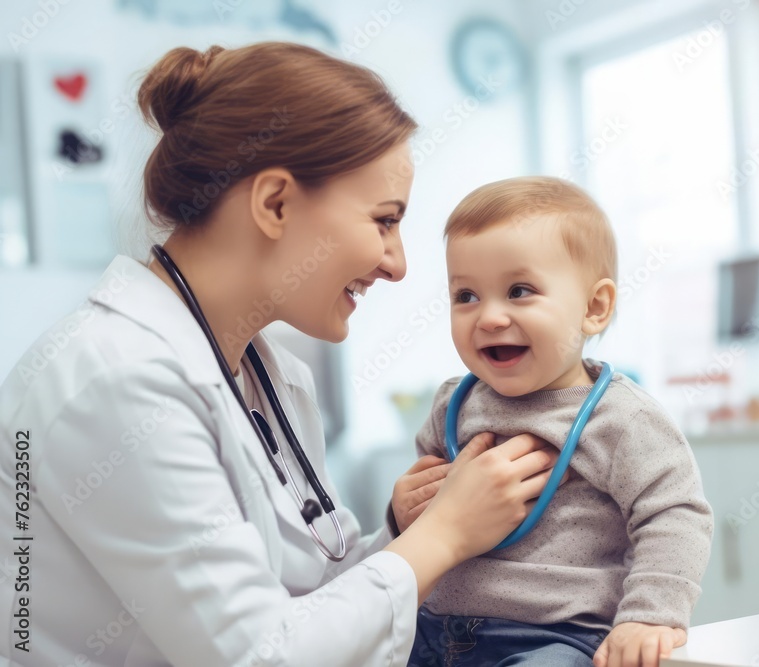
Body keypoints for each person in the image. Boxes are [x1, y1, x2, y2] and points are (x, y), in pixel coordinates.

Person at [0, 43, 565, 667]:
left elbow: (313, 600)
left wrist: (404, 530)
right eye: (383, 220)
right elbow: (259, 656)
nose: (398, 264)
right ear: (275, 203)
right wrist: (446, 535)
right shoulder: (113, 381)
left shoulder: (271, 377)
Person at [406, 177, 714, 667]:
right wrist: (402, 511)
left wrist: (649, 615)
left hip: (555, 639)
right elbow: (425, 517)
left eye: (519, 291)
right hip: (431, 631)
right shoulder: (452, 405)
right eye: (465, 296)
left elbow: (674, 514)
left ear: (594, 308)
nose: (488, 317)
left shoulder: (623, 418)